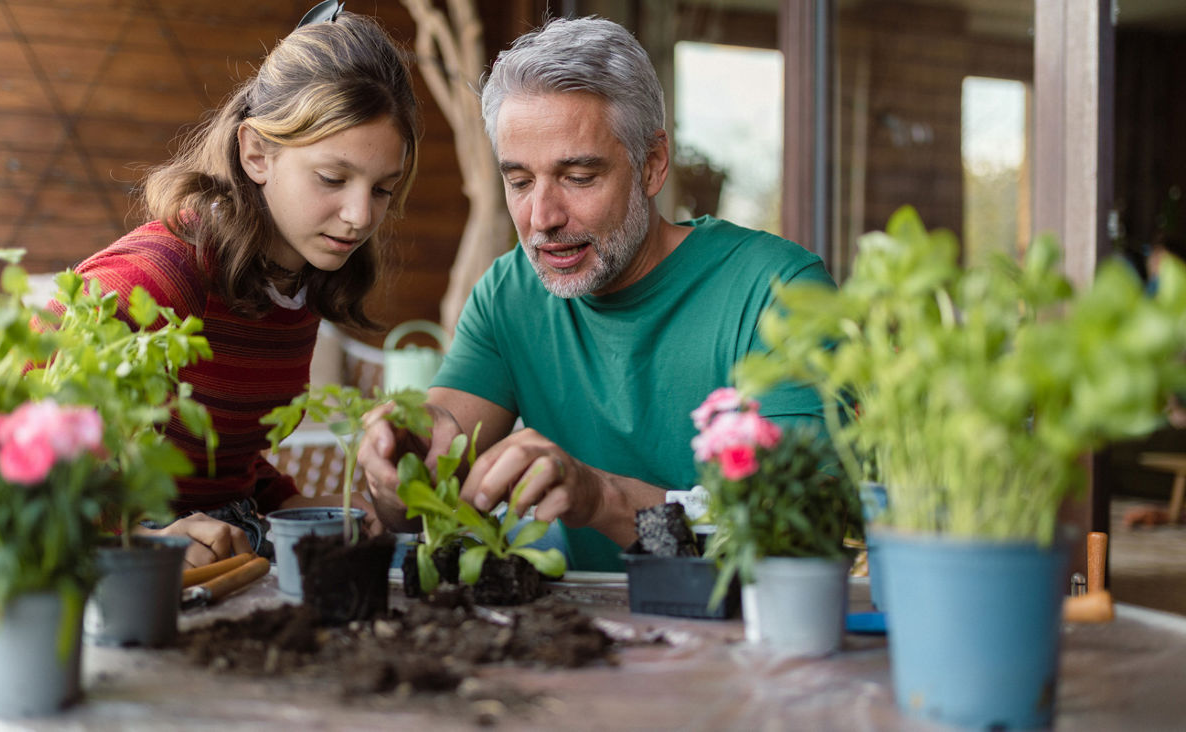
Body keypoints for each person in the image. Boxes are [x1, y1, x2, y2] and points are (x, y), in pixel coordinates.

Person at [358, 16, 832, 572]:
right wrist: (394, 472)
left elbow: (802, 533)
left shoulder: (778, 293)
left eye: (578, 177)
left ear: (652, 164)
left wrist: (602, 498)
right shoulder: (509, 295)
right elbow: (416, 501)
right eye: (519, 181)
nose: (542, 218)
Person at [60, 10, 420, 568]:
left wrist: (296, 504)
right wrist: (136, 542)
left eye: (383, 190)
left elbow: (230, 460)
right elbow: (24, 435)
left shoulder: (299, 279)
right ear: (256, 153)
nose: (358, 215)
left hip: (233, 546)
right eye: (333, 178)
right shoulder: (158, 276)